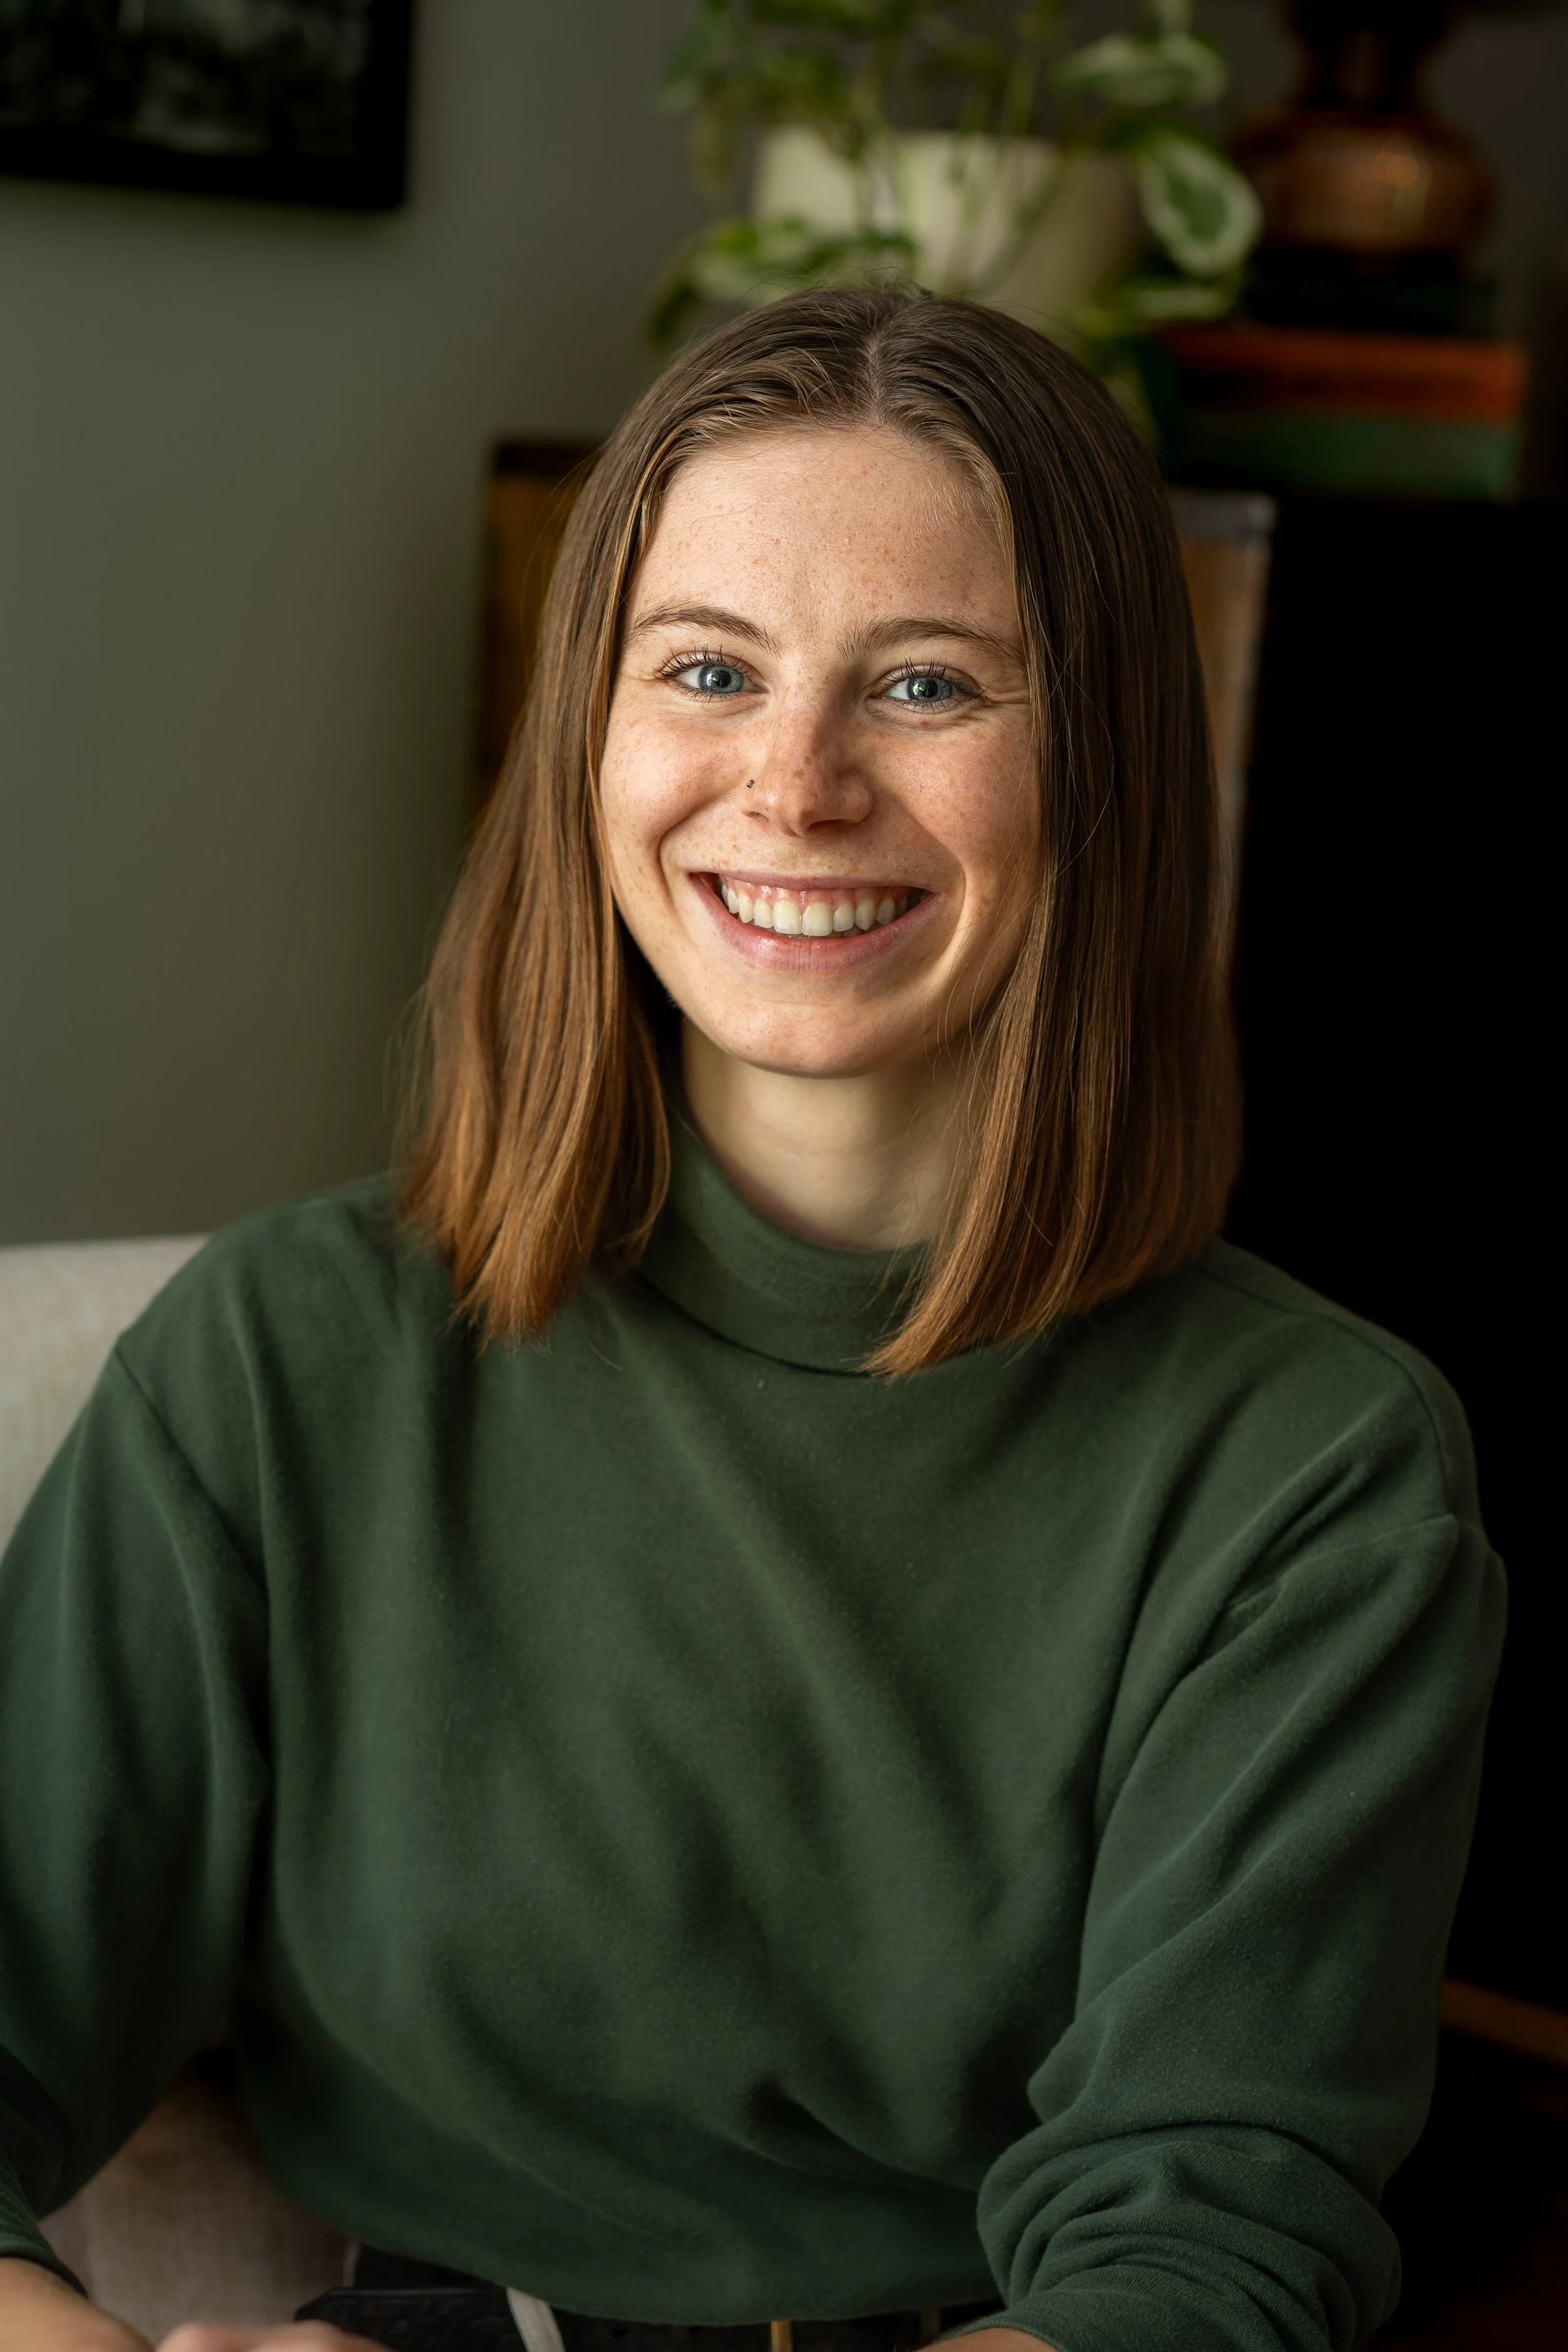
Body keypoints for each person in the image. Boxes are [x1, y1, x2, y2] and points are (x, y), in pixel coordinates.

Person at [0, 290, 1503, 2352]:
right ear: (590, 739)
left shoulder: (1312, 1474)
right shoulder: (279, 1361)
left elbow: (1202, 2255)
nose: (790, 784)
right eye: (707, 669)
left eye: (924, 684)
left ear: (1105, 762)